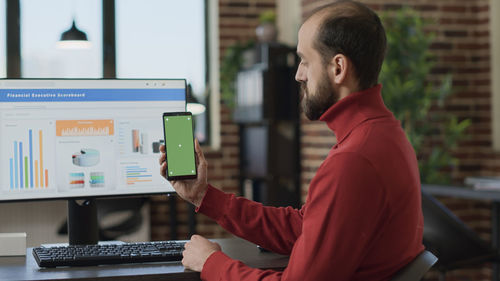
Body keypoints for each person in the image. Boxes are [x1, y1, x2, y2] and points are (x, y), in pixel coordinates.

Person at [159, 1, 424, 280]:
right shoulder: (384, 134)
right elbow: (304, 227)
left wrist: (212, 262)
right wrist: (203, 196)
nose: (298, 74)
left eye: (305, 61)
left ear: (338, 68)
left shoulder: (353, 160)